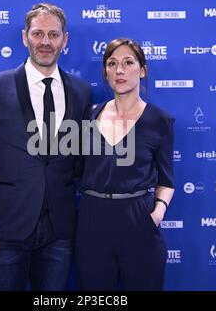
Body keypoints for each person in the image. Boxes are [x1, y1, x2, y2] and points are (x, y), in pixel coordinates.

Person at [0, 3, 92, 291]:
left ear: (65, 40)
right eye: (38, 33)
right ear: (25, 37)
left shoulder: (82, 91)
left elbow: (82, 160)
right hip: (4, 228)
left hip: (60, 230)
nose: (46, 42)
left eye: (54, 35)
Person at [75, 38, 175, 290]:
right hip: (92, 219)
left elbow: (167, 180)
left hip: (137, 218)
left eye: (128, 62)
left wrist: (157, 213)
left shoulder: (160, 120)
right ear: (105, 72)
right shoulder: (88, 116)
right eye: (112, 63)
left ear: (142, 70)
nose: (119, 70)